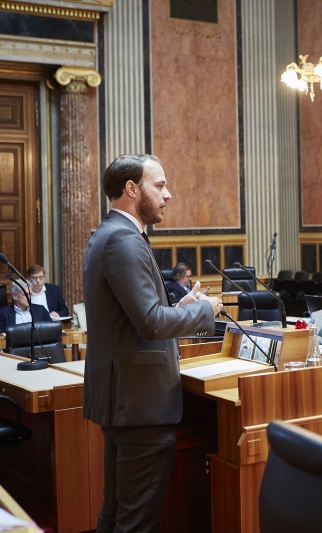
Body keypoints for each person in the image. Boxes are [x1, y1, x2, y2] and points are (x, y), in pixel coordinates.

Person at [83, 154, 223, 532]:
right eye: (159, 185)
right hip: (141, 404)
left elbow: (132, 317)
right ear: (132, 189)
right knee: (137, 521)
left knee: (116, 514)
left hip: (126, 399)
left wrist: (179, 305)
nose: (168, 194)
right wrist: (206, 310)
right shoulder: (124, 241)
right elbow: (149, 322)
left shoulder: (110, 234)